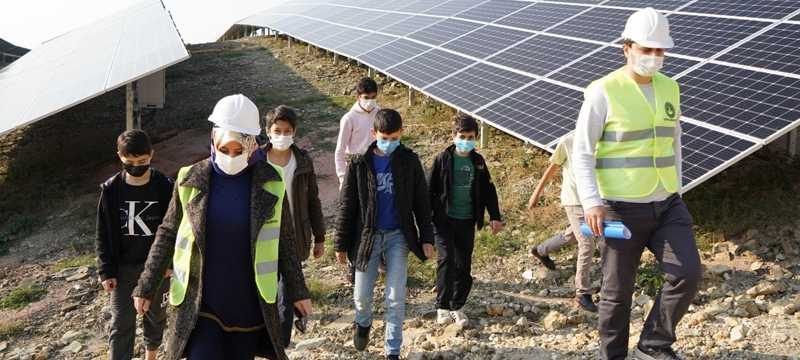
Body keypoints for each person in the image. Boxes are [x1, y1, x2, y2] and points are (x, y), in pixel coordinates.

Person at [131, 94, 312, 360]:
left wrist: (298, 292)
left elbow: (285, 241)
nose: (230, 157)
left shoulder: (270, 183)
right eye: (224, 150)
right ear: (213, 140)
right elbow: (167, 232)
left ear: (252, 145)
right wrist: (147, 284)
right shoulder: (190, 179)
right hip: (201, 303)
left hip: (249, 306)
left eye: (239, 151)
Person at [572, 8, 701, 360]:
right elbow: (581, 151)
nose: (654, 57)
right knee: (617, 292)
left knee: (687, 273)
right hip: (619, 207)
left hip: (667, 203)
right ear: (626, 48)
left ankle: (653, 344)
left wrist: (677, 187)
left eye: (660, 51)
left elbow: (674, 142)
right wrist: (591, 201)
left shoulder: (671, 88)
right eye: (647, 49)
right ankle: (612, 356)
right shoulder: (604, 91)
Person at [334, 109, 434, 360]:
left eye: (394, 137)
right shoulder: (359, 164)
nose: (389, 142)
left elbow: (421, 202)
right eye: (384, 137)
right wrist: (341, 244)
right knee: (362, 297)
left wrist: (427, 239)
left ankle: (392, 351)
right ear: (374, 134)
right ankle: (363, 323)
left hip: (398, 237)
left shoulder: (409, 161)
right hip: (367, 238)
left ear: (401, 133)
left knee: (395, 297)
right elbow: (347, 206)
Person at [95, 129, 172, 360]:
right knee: (120, 323)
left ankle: (152, 356)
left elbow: (175, 229)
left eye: (143, 161)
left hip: (156, 268)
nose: (137, 166)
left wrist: (170, 264)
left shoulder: (165, 186)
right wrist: (105, 270)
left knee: (155, 317)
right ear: (119, 157)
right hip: (123, 269)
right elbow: (102, 232)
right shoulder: (111, 190)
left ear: (151, 154)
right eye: (130, 162)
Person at [428, 113, 503, 327]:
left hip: (467, 220)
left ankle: (457, 305)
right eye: (462, 135)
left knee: (463, 264)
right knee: (446, 260)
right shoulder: (442, 159)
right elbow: (429, 190)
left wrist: (495, 216)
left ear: (476, 137)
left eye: (470, 137)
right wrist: (426, 221)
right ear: (453, 135)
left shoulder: (478, 161)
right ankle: (442, 306)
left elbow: (489, 190)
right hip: (444, 220)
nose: (466, 140)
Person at [263, 105, 326, 346]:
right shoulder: (257, 161)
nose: (282, 135)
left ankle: (281, 343)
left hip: (295, 237)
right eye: (277, 130)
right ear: (268, 131)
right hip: (265, 238)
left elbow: (313, 201)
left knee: (286, 290)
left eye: (287, 130)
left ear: (294, 131)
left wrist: (320, 236)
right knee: (270, 293)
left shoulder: (303, 161)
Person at [527, 133, 598, 313]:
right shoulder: (568, 141)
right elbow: (552, 168)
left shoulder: (604, 140)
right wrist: (536, 194)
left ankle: (541, 250)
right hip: (574, 200)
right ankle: (582, 293)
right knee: (587, 242)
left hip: (593, 202)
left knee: (574, 234)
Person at [334, 77, 380, 187]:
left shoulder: (379, 113)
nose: (370, 101)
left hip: (375, 165)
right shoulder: (349, 119)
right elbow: (340, 150)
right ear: (358, 96)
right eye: (366, 97)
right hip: (355, 167)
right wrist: (342, 177)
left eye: (373, 97)